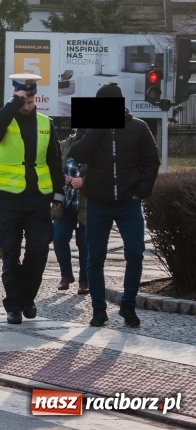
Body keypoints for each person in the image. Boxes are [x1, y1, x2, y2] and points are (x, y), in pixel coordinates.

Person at [69, 83, 159, 328]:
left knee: (135, 254)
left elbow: (151, 160)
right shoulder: (88, 126)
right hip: (97, 202)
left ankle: (128, 305)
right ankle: (99, 309)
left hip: (129, 203)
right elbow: (78, 154)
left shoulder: (138, 127)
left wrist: (141, 192)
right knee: (95, 257)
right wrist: (97, 129)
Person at [0, 74, 64, 325]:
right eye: (23, 101)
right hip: (7, 200)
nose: (27, 107)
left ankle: (27, 299)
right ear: (15, 98)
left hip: (37, 199)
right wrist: (13, 104)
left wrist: (58, 193)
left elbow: (54, 160)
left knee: (38, 251)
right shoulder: (3, 119)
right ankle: (14, 305)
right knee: (10, 253)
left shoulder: (45, 123)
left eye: (30, 102)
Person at [52, 129, 89, 295]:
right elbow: (54, 167)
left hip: (87, 204)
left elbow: (103, 172)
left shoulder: (97, 143)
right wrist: (61, 178)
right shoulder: (66, 144)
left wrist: (84, 181)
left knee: (85, 244)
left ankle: (84, 281)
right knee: (59, 237)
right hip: (66, 202)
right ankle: (66, 275)